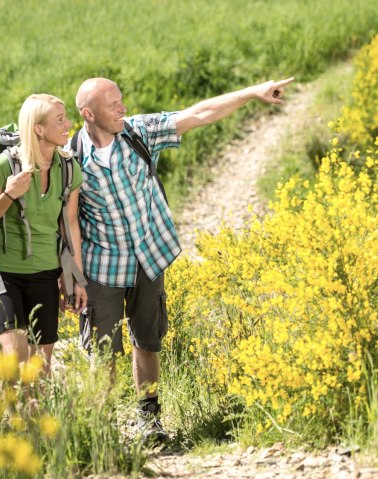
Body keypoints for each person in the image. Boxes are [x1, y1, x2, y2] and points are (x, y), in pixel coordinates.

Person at [74, 76, 294, 442]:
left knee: (148, 339)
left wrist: (252, 93)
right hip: (102, 269)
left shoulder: (138, 132)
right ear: (89, 113)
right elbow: (64, 221)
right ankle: (103, 433)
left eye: (121, 101)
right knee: (103, 353)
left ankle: (149, 419)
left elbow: (199, 114)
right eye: (113, 105)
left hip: (148, 259)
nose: (122, 109)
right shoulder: (72, 159)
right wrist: (69, 276)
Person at [0, 93, 87, 379]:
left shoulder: (69, 169)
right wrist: (10, 194)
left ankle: (33, 423)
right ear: (38, 129)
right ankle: (16, 422)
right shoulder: (6, 166)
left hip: (45, 274)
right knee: (17, 362)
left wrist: (76, 279)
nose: (68, 124)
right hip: (3, 275)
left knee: (39, 370)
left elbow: (70, 225)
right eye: (60, 120)